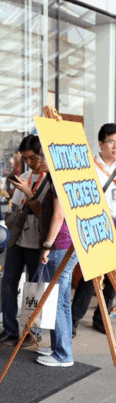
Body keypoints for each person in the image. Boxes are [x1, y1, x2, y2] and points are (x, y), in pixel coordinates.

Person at [0, 134, 48, 345]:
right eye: (25, 158)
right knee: (8, 284)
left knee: (34, 288)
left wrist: (29, 193)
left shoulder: (49, 180)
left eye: (33, 158)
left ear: (41, 155)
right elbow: (15, 207)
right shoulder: (25, 175)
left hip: (37, 242)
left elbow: (44, 214)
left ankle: (32, 331)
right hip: (17, 239)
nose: (30, 162)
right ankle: (10, 329)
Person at [71, 123, 116, 335]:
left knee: (113, 276)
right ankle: (73, 320)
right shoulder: (89, 166)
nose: (115, 147)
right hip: (97, 224)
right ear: (100, 143)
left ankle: (101, 318)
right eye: (111, 142)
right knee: (92, 276)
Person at [36, 151, 78, 367]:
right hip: (67, 245)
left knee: (57, 301)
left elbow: (58, 215)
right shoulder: (63, 178)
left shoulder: (58, 181)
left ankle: (63, 354)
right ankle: (60, 347)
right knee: (61, 300)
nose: (39, 160)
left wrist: (47, 246)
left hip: (60, 245)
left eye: (43, 156)